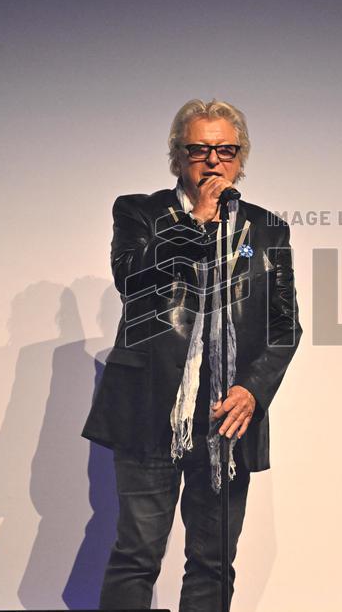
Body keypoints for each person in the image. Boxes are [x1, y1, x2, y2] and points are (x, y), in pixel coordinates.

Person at [82, 98, 302, 611]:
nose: (213, 160)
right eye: (199, 149)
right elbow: (130, 278)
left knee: (212, 562)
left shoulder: (267, 230)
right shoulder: (139, 211)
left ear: (240, 157)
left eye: (225, 149)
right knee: (137, 555)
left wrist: (253, 388)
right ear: (178, 157)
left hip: (226, 418)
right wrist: (197, 222)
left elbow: (285, 325)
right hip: (149, 410)